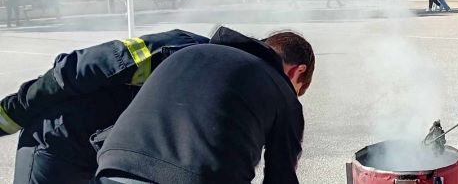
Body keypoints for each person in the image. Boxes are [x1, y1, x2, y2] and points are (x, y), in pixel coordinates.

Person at [96, 27, 314, 184]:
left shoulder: (187, 53)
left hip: (114, 168)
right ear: (298, 72)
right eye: (298, 89)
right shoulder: (283, 93)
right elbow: (282, 176)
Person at [0, 29, 208, 184]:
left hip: (117, 147)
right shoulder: (183, 50)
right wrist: (12, 113)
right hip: (59, 141)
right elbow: (81, 68)